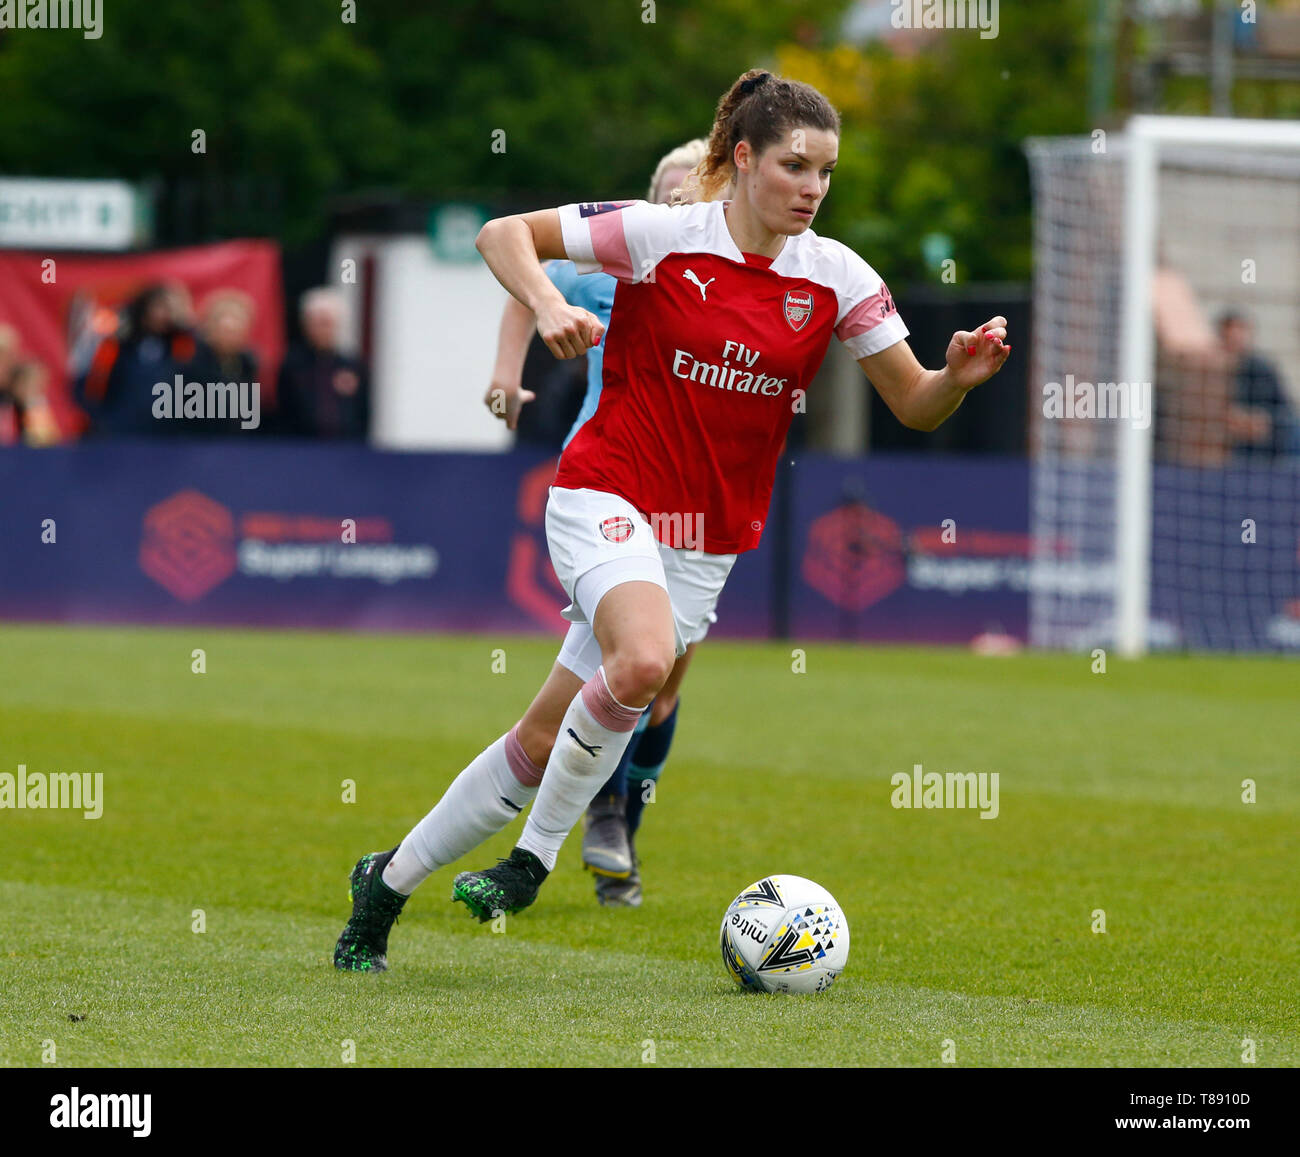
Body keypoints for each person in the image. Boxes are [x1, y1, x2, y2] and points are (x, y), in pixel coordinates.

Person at [334, 68, 1010, 972]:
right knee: (646, 662)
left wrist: (955, 381)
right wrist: (547, 305)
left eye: (827, 173)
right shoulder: (660, 235)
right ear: (743, 158)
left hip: (706, 539)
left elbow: (915, 404)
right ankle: (534, 863)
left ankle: (383, 883)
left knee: (540, 743)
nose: (812, 188)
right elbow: (505, 235)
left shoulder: (838, 275)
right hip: (606, 489)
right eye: (795, 166)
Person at [483, 138, 710, 908]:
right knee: (627, 664)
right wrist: (506, 376)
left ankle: (621, 829)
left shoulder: (736, 273)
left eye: (695, 195)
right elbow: (527, 272)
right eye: (671, 196)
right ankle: (601, 810)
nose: (682, 207)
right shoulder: (625, 249)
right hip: (609, 481)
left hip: (697, 499)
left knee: (666, 685)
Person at [74, 284, 199, 437]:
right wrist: (102, 422)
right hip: (119, 434)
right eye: (159, 307)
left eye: (170, 309)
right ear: (144, 308)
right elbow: (90, 387)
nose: (164, 314)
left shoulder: (183, 345)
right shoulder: (116, 345)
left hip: (168, 437)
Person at [273, 288, 369, 439]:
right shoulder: (292, 365)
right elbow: (282, 412)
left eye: (327, 323)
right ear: (306, 324)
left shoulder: (352, 365)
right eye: (317, 323)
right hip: (301, 448)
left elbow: (363, 413)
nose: (322, 330)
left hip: (346, 450)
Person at [1217, 310, 1298, 459]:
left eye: (1240, 331)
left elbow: (1286, 410)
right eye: (1230, 333)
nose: (1235, 338)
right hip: (1228, 445)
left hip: (1264, 445)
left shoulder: (1262, 368)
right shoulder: (1211, 370)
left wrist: (1263, 420)